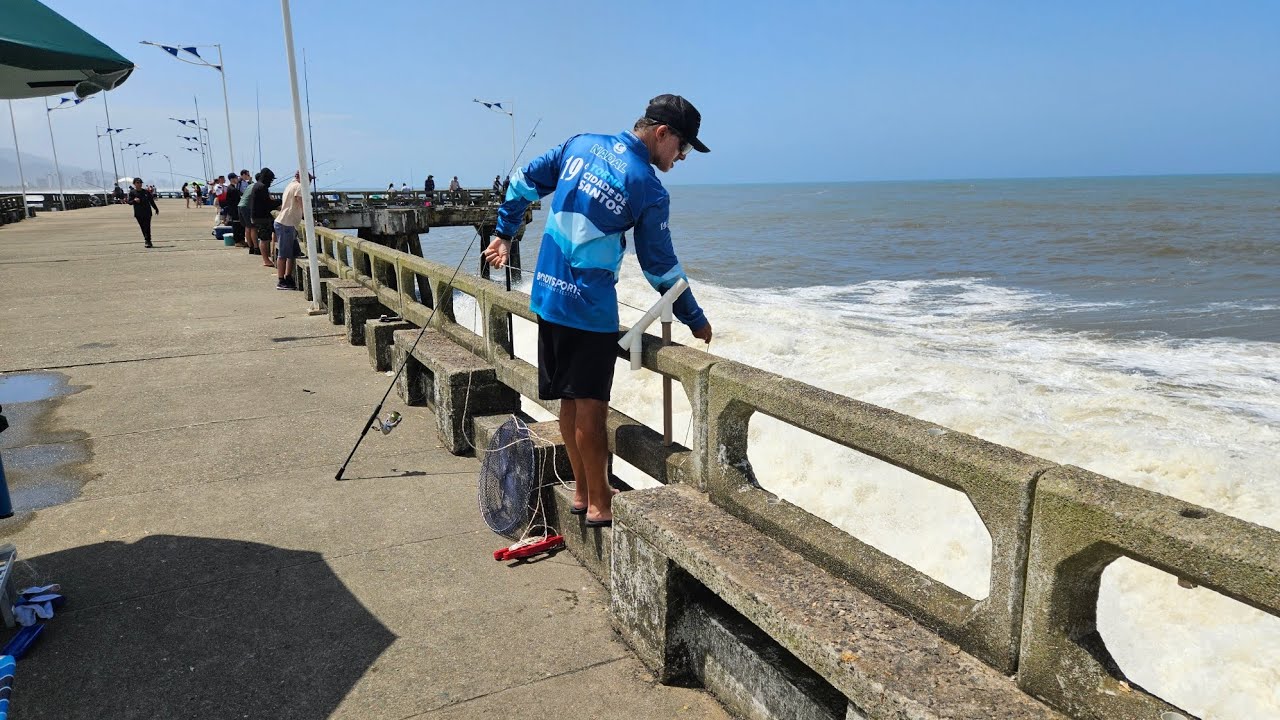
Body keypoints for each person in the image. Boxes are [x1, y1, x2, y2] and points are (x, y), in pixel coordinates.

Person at [482, 94, 713, 526]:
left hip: (548, 296)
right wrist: (694, 317)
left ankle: (582, 490)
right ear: (662, 133)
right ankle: (600, 501)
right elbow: (660, 266)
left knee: (570, 403)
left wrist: (504, 232)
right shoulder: (647, 186)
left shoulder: (580, 143)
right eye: (682, 147)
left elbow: (522, 181)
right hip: (588, 309)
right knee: (591, 408)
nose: (682, 157)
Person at [274, 171, 308, 290]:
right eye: (309, 179)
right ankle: (281, 281)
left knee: (293, 254)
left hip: (288, 224)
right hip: (286, 224)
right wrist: (310, 220)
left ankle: (288, 277)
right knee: (283, 254)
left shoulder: (290, 185)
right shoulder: (299, 186)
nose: (309, 182)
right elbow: (303, 204)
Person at [248, 168, 279, 266]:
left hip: (259, 215)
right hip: (261, 217)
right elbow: (268, 204)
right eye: (271, 179)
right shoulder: (262, 187)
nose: (271, 182)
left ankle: (272, 255)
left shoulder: (258, 185)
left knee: (273, 232)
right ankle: (266, 260)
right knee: (264, 239)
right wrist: (280, 202)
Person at [127, 177, 160, 248]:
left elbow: (151, 201)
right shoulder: (132, 192)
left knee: (147, 226)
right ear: (134, 184)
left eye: (140, 183)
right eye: (137, 183)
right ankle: (146, 239)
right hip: (138, 213)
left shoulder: (146, 192)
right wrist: (134, 201)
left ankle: (148, 241)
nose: (139, 184)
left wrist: (156, 209)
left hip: (147, 212)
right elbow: (129, 202)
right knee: (143, 227)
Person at [223, 169, 245, 247]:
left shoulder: (231, 188)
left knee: (239, 225)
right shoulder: (232, 189)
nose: (237, 179)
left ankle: (240, 240)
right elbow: (236, 201)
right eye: (236, 178)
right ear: (232, 179)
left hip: (233, 210)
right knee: (236, 226)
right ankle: (237, 241)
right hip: (234, 210)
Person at [239, 172, 258, 253]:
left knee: (247, 227)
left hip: (240, 205)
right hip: (247, 207)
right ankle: (256, 248)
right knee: (253, 227)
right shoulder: (258, 186)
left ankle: (251, 247)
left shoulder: (250, 185)